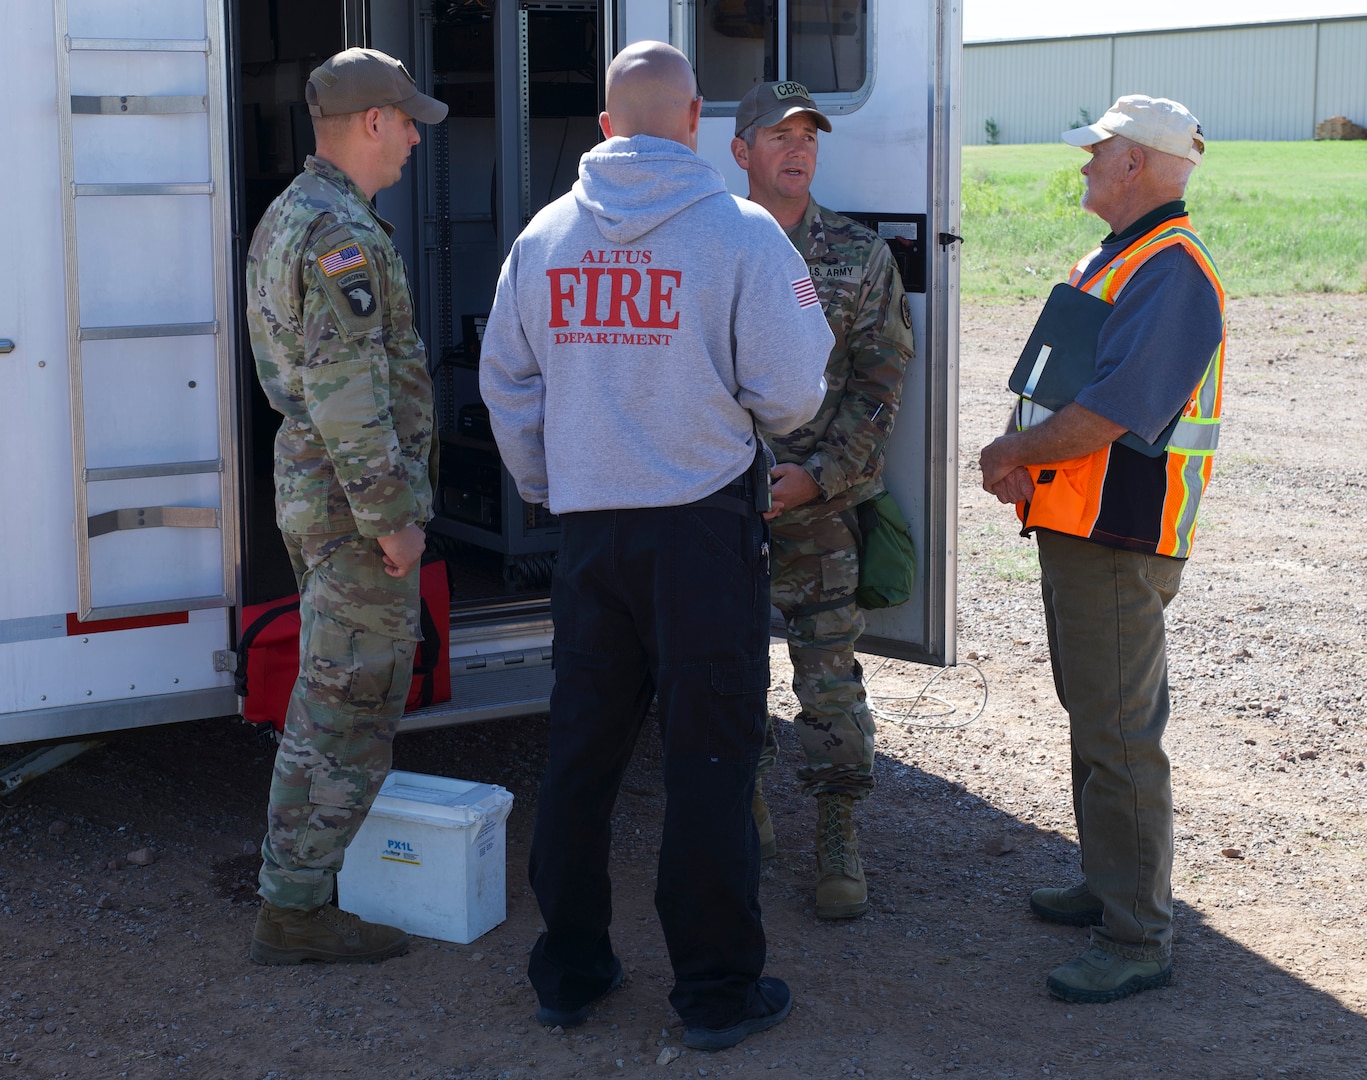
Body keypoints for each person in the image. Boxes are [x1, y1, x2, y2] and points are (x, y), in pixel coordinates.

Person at [478, 42, 833, 1051]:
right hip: (700, 534)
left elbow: (505, 382)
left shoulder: (543, 238)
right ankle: (716, 991)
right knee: (709, 761)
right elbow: (794, 391)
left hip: (590, 536)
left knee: (581, 754)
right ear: (691, 122)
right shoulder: (744, 235)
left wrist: (553, 484)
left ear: (602, 129)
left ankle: (570, 971)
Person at [978, 95, 1225, 1003]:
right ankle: (1109, 884)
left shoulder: (1171, 268)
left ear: (1136, 165)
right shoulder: (1122, 257)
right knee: (1095, 718)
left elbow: (1115, 411)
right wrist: (1024, 461)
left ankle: (1136, 937)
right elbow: (1063, 385)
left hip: (1118, 538)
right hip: (1080, 527)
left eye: (1098, 153)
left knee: (1120, 738)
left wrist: (1011, 453)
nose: (1084, 165)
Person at [244, 47, 448, 965]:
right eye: (406, 120)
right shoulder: (342, 239)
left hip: (315, 498)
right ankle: (294, 908)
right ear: (372, 121)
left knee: (336, 693)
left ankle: (300, 894)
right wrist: (392, 518)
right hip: (350, 511)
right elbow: (346, 393)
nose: (412, 137)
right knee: (347, 706)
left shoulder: (294, 214)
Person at [730, 82, 914, 919]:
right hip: (717, 506)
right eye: (778, 134)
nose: (797, 148)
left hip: (816, 507)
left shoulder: (856, 254)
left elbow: (879, 382)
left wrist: (820, 475)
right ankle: (743, 805)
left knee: (828, 681)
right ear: (741, 151)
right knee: (720, 678)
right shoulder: (704, 242)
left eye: (808, 134)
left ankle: (837, 833)